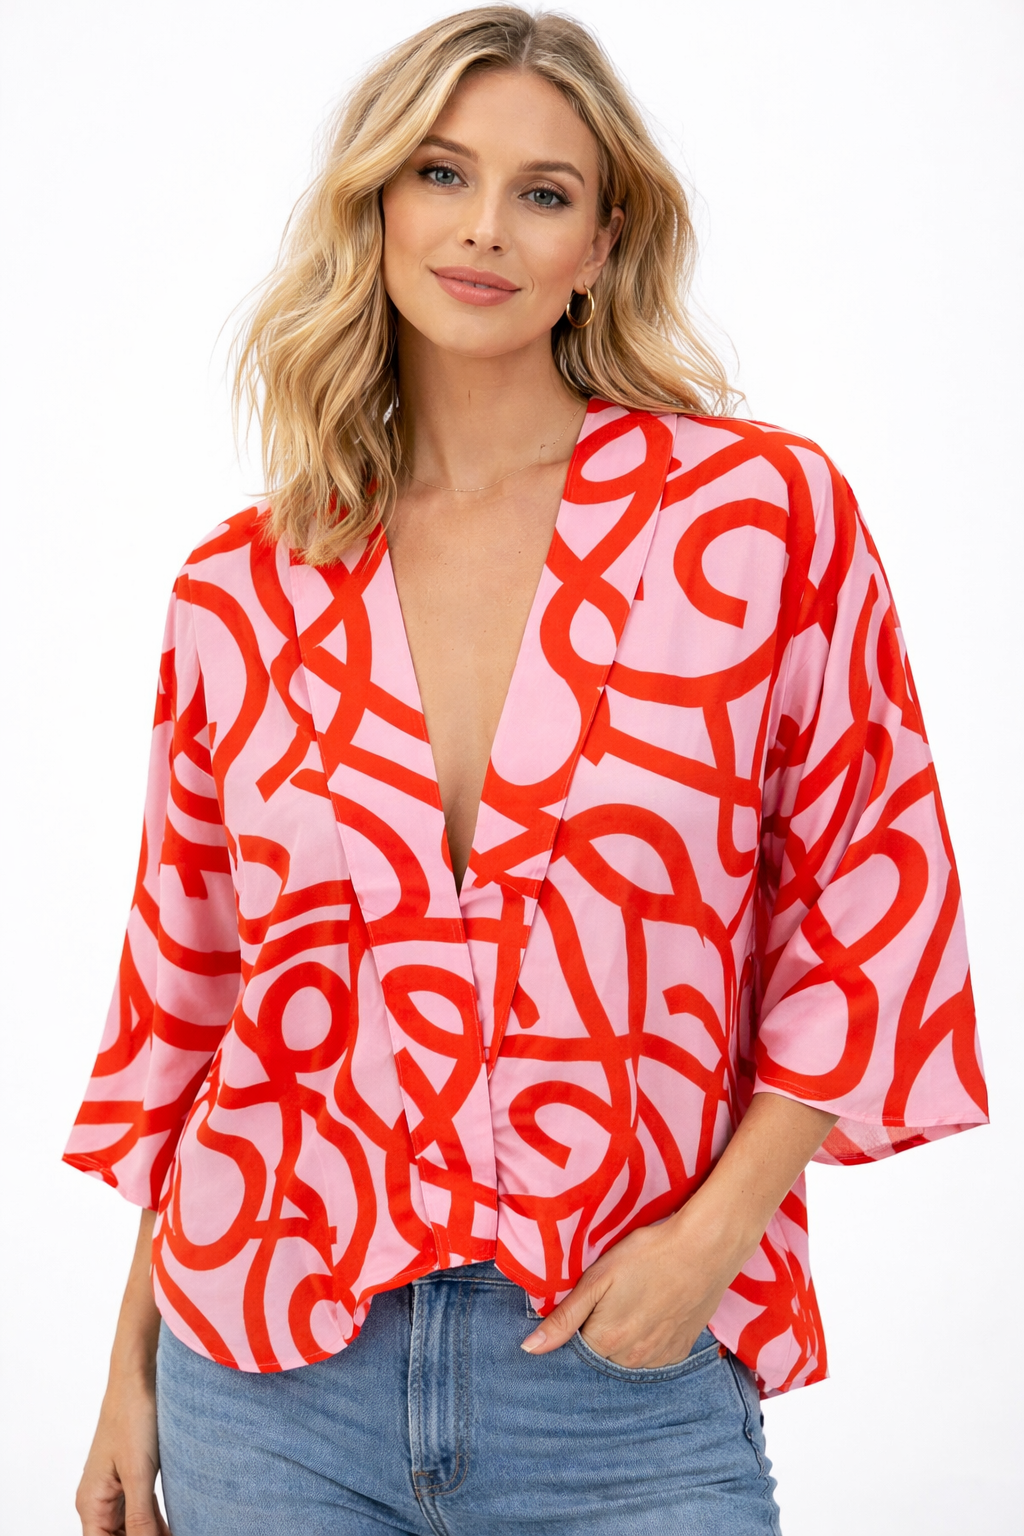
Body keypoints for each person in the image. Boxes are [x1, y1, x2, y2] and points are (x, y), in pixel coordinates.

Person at [66, 8, 988, 1534]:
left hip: (619, 1379)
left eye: (543, 191)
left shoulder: (755, 520)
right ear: (374, 204)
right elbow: (197, 997)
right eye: (441, 172)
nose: (484, 226)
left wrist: (711, 1245)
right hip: (269, 1381)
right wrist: (129, 1366)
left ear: (602, 243)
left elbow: (872, 902)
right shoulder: (244, 586)